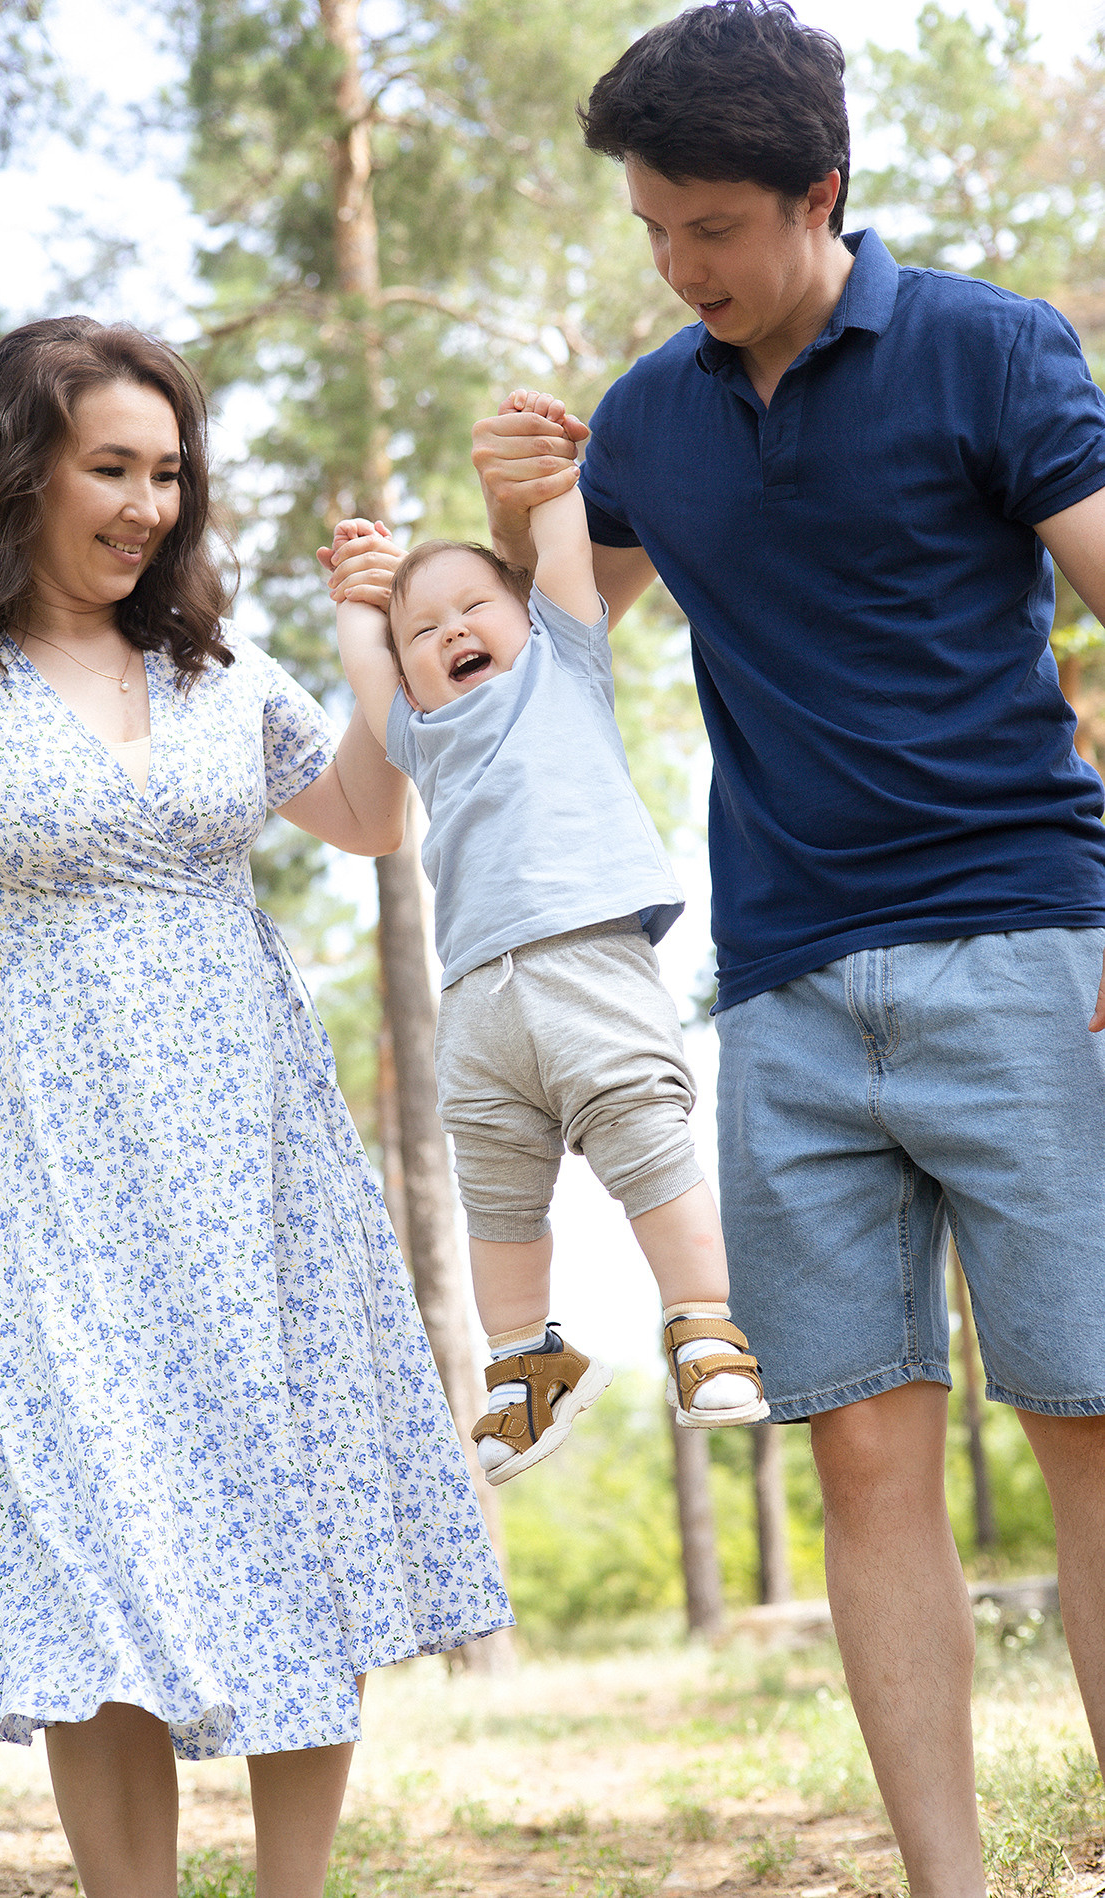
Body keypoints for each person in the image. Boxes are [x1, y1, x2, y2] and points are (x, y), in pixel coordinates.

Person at [469, 3, 1105, 1891]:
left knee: (1087, 1434)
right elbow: (548, 660)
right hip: (788, 996)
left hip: (1025, 955)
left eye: (712, 229)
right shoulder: (658, 414)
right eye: (654, 229)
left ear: (821, 193)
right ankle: (946, 1879)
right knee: (857, 1458)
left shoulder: (991, 348)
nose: (678, 266)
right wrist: (520, 520)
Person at [0, 316, 511, 1898]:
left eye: (168, 473)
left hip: (260, 1135)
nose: (147, 504)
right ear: (25, 468)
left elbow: (360, 812)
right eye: (112, 468)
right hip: (62, 1153)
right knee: (94, 1541)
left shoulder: (211, 660)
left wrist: (369, 637)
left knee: (297, 1501)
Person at [322, 389, 768, 1489]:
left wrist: (556, 485)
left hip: (587, 965)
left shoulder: (564, 660)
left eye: (472, 605)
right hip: (477, 1005)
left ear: (526, 610)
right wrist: (356, 593)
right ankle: (527, 1366)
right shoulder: (420, 736)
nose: (447, 634)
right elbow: (368, 667)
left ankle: (703, 1323)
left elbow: (562, 543)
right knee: (496, 1200)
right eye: (423, 630)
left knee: (649, 1147)